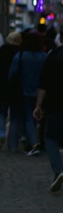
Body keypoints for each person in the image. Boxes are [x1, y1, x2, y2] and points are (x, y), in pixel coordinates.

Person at [8, 30, 46, 154]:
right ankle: (37, 141)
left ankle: (33, 143)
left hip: (24, 91)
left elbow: (12, 74)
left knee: (29, 117)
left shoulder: (20, 56)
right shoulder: (43, 57)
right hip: (41, 91)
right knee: (38, 117)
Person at [33, 44, 63, 191]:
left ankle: (59, 169)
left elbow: (43, 82)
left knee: (51, 139)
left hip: (56, 104)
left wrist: (38, 105)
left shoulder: (54, 55)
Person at [0, 31, 22, 148]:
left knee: (0, 112)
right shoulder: (21, 52)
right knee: (15, 115)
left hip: (1, 86)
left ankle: (0, 133)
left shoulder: (1, 51)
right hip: (16, 88)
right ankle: (12, 143)